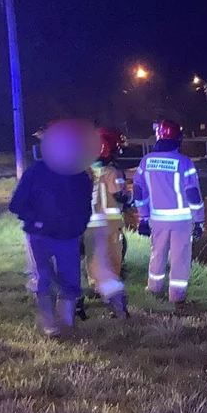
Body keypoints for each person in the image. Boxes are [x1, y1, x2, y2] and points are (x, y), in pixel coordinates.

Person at [9, 119, 95, 336]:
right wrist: (37, 221)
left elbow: (85, 207)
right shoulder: (36, 172)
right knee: (43, 279)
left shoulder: (80, 175)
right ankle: (48, 324)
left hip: (67, 237)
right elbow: (16, 204)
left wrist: (79, 227)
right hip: (40, 236)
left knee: (69, 281)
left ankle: (65, 324)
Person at [133, 120, 204, 305]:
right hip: (181, 221)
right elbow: (193, 194)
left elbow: (139, 191)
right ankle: (177, 297)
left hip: (157, 220)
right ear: (177, 140)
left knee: (157, 254)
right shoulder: (184, 162)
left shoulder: (146, 161)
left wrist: (143, 217)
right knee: (180, 259)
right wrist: (199, 221)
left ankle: (154, 290)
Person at [85, 127, 131, 317]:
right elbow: (120, 195)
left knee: (93, 257)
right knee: (113, 259)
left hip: (89, 224)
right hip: (110, 225)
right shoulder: (113, 172)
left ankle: (96, 288)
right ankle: (114, 298)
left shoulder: (85, 170)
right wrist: (130, 199)